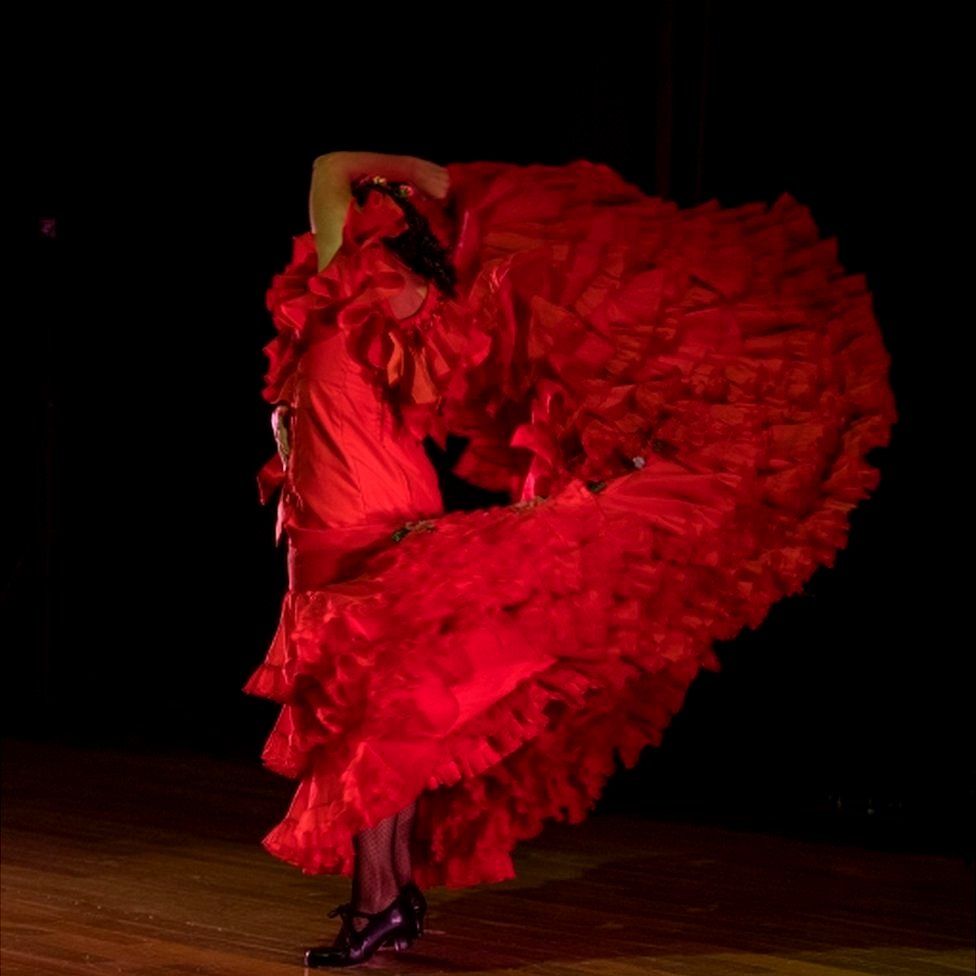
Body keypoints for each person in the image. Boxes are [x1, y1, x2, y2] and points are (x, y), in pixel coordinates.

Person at [243, 150, 898, 967]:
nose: (356, 223)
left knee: (387, 722)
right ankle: (392, 894)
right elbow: (333, 179)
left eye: (377, 216)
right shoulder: (352, 297)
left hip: (378, 532)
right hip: (323, 538)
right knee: (377, 725)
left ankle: (377, 903)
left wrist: (437, 183)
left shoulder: (405, 299)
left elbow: (333, 165)